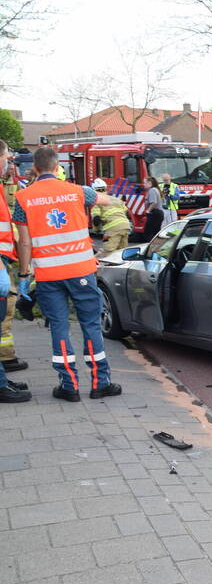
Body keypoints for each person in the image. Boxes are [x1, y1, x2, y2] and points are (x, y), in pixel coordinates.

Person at [13, 146, 123, 402]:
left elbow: (25, 242)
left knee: (59, 327)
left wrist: (23, 276)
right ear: (57, 167)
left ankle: (69, 385)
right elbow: (110, 201)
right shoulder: (78, 191)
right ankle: (100, 383)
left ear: (35, 169)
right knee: (91, 324)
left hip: (48, 275)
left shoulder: (23, 198)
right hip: (81, 271)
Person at [0, 142, 28, 376]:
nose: (9, 163)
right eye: (7, 158)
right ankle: (5, 359)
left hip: (5, 258)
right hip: (1, 260)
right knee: (6, 308)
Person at [90, 179, 133, 254]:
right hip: (125, 227)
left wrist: (96, 230)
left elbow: (96, 219)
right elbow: (127, 213)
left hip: (111, 230)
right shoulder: (116, 199)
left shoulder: (97, 202)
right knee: (122, 252)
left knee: (108, 251)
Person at [143, 176, 164, 240]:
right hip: (158, 214)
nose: (143, 184)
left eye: (144, 183)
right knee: (156, 233)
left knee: (148, 234)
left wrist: (148, 210)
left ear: (149, 183)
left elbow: (154, 203)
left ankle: (150, 245)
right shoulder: (155, 190)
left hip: (154, 214)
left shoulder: (152, 190)